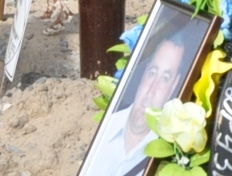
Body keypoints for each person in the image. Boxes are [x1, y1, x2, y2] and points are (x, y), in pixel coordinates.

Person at [83, 15, 205, 176]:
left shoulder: (169, 154)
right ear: (144, 72)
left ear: (175, 85)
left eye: (165, 79)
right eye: (153, 73)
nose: (152, 90)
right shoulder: (109, 125)